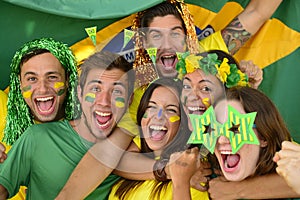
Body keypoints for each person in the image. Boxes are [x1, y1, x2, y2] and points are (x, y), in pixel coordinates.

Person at [56, 0, 282, 197]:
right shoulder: (145, 94)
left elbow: (257, 12)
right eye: (156, 35)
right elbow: (109, 158)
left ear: (187, 37)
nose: (168, 45)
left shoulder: (208, 57)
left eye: (175, 33)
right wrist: (172, 170)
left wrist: (242, 82)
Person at [0, 50, 135, 199]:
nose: (104, 101)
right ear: (80, 93)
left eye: (117, 91)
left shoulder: (131, 147)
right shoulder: (38, 137)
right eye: (95, 89)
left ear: (129, 100)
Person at [0, 37, 79, 200]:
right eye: (32, 79)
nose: (42, 88)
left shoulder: (91, 126)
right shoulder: (3, 109)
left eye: (52, 77)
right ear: (19, 85)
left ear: (68, 81)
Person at [108, 78, 208, 200]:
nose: (158, 117)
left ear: (182, 124)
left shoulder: (194, 176)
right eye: (151, 107)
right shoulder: (136, 155)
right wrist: (167, 170)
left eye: (171, 110)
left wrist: (181, 180)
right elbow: (115, 162)